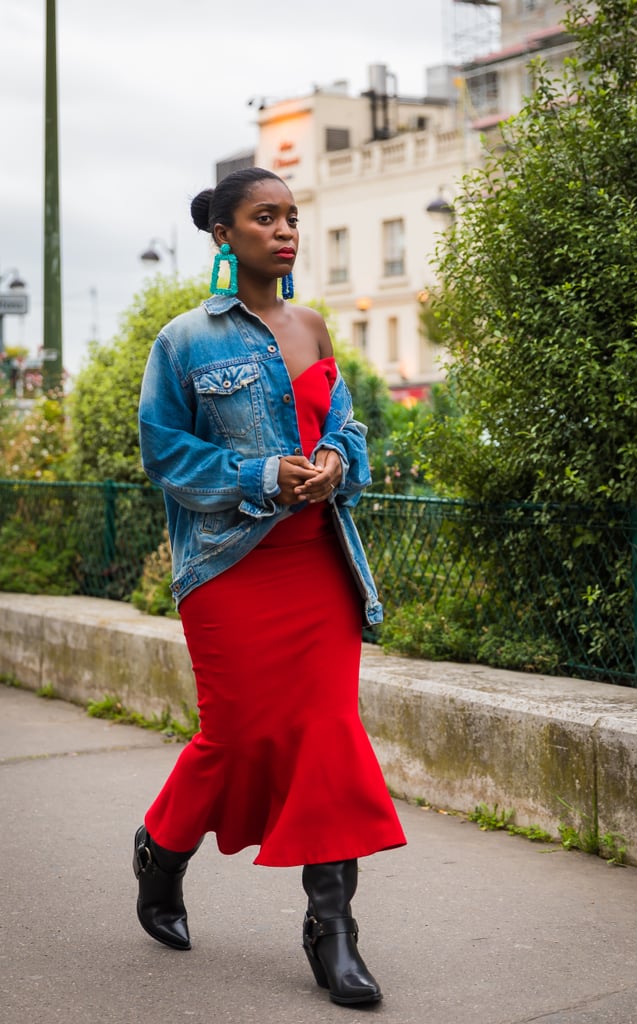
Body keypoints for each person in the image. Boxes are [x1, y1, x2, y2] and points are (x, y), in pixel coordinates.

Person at [133, 167, 407, 1007]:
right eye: (265, 217)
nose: (285, 231)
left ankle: (333, 929)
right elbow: (165, 455)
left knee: (326, 732)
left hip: (318, 565)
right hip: (228, 567)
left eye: (292, 217)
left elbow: (348, 428)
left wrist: (332, 460)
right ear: (224, 233)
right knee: (237, 735)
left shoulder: (315, 328)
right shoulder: (185, 341)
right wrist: (260, 472)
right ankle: (160, 850)